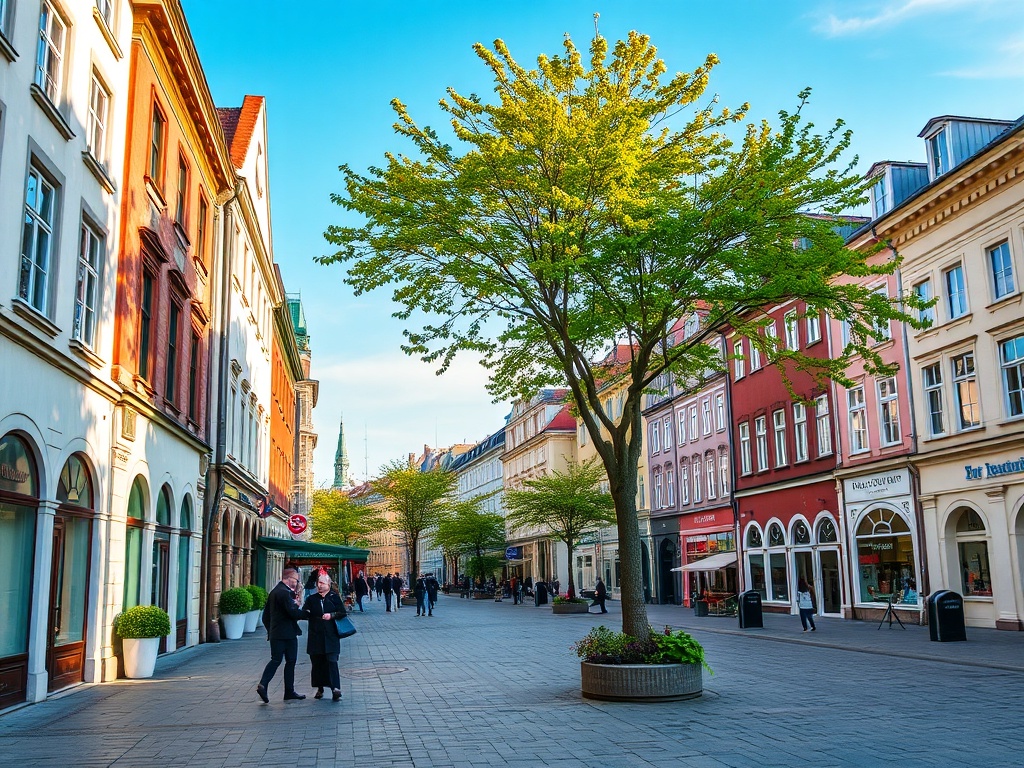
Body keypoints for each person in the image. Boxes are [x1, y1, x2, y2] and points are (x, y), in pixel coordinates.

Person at [257, 566, 309, 703]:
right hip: (287, 634)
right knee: (290, 661)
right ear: (289, 579)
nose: (297, 583)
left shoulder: (275, 591)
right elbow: (292, 613)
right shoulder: (284, 593)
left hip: (276, 633)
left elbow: (265, 616)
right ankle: (287, 690)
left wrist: (271, 630)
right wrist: (307, 613)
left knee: (276, 659)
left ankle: (265, 684)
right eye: (296, 580)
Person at [302, 572, 346, 702]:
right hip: (316, 636)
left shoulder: (334, 597)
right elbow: (305, 612)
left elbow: (342, 612)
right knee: (317, 663)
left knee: (332, 661)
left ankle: (335, 689)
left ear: (328, 584)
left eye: (322, 583)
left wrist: (331, 615)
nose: (319, 586)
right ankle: (320, 688)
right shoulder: (311, 599)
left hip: (331, 636)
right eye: (318, 583)